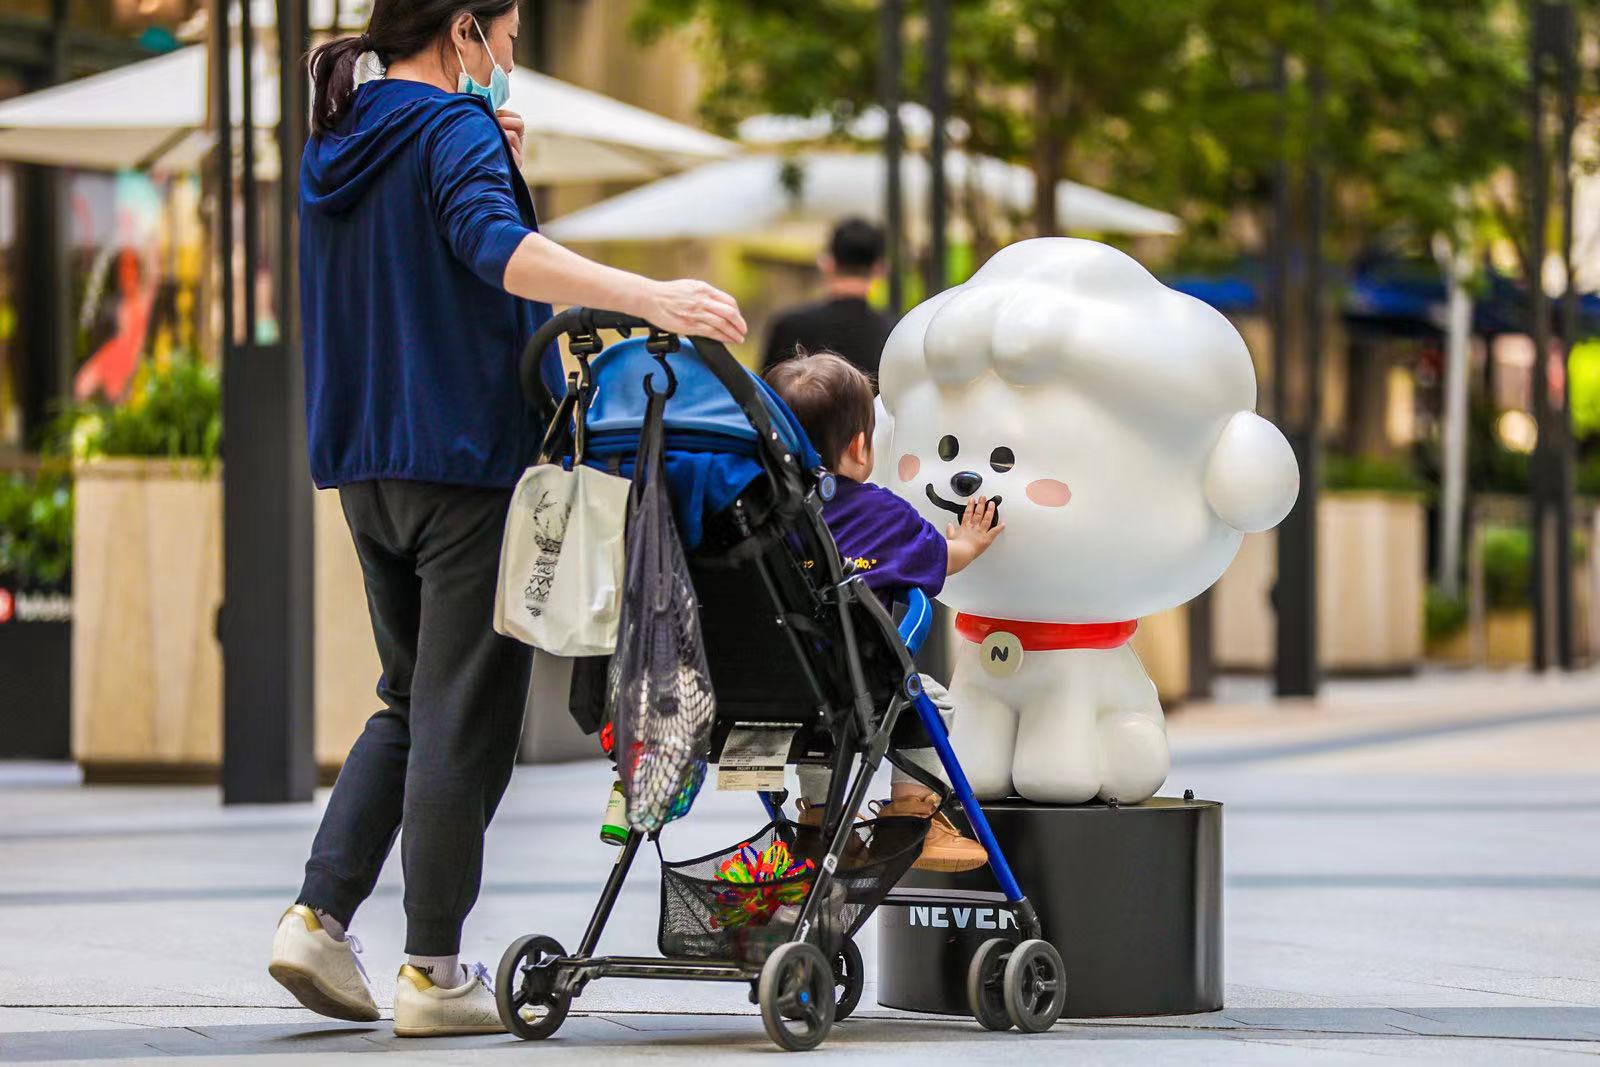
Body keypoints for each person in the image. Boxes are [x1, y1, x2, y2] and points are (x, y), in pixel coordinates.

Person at [268, 0, 746, 1039]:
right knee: (464, 718)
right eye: (513, 36)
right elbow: (494, 251)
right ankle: (434, 971)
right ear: (463, 33)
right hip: (466, 461)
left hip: (366, 462)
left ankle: (317, 914)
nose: (514, 56)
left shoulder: (342, 134)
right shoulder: (451, 131)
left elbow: (435, 245)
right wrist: (651, 296)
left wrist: (494, 154)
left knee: (408, 697)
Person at [764, 351, 1000, 872]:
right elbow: (946, 559)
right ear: (859, 445)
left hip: (761, 693)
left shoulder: (753, 518)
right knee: (928, 702)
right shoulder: (881, 513)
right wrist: (970, 542)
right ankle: (912, 820)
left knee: (820, 722)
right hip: (853, 684)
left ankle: (818, 826)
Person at [761, 218, 894, 378]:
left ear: (827, 263)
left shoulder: (788, 327)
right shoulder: (894, 334)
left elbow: (763, 396)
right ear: (881, 269)